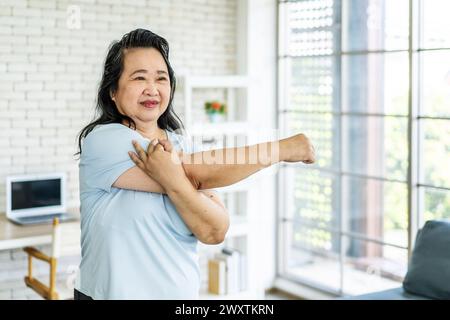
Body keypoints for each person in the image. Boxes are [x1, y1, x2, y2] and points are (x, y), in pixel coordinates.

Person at [75, 28, 315, 300]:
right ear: (113, 92)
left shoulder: (183, 146)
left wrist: (174, 178)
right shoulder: (104, 141)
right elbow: (196, 173)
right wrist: (281, 149)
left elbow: (215, 230)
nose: (152, 88)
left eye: (161, 78)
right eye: (139, 77)